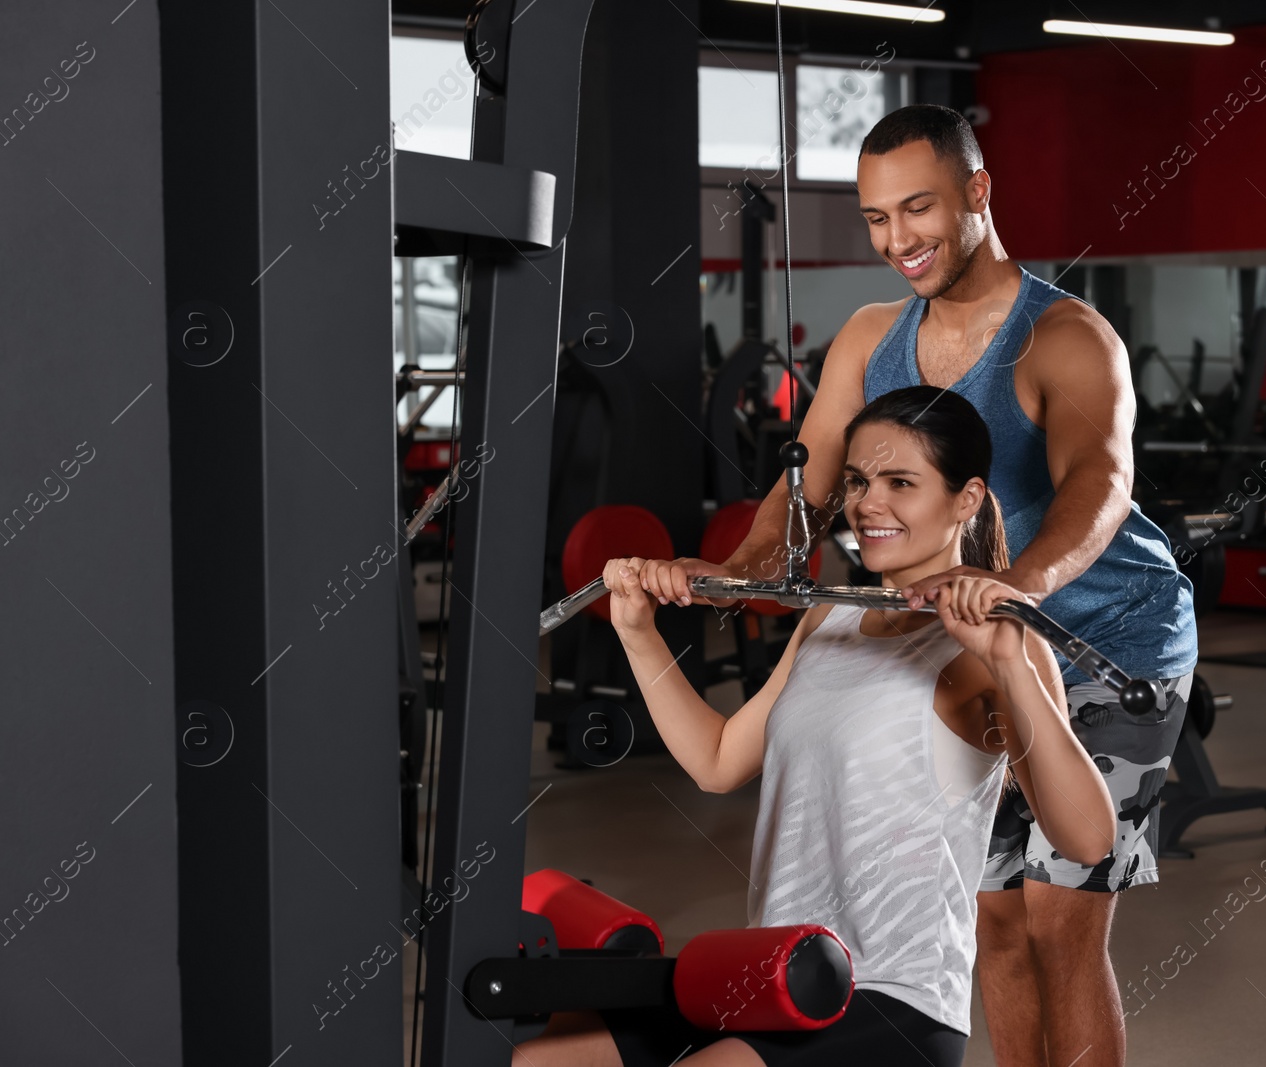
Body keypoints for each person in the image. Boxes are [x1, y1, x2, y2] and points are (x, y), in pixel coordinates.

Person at [638, 105, 1198, 1066]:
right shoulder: (868, 339)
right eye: (875, 219)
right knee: (996, 932)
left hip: (1110, 640)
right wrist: (733, 576)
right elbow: (801, 490)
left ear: (978, 194)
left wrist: (1010, 586)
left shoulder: (1064, 337)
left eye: (918, 209)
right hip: (961, 656)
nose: (897, 240)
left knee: (1061, 923)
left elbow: (1102, 485)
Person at [511, 387, 1116, 1067]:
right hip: (776, 971)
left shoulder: (992, 648)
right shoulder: (828, 620)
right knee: (544, 1059)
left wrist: (1008, 660)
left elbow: (1088, 839)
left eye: (900, 483)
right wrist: (637, 632)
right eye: (857, 481)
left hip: (891, 999)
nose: (868, 504)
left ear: (967, 498)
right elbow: (717, 760)